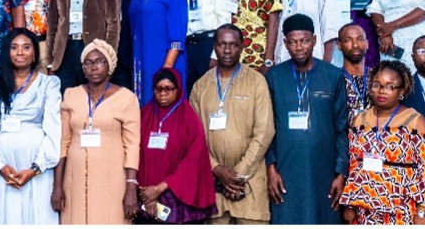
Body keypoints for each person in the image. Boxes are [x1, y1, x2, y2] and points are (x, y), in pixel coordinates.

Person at [265, 14, 348, 225]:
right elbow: (267, 127)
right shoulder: (274, 76)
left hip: (324, 170)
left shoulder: (332, 75)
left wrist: (341, 172)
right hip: (286, 170)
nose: (299, 47)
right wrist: (270, 168)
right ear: (285, 43)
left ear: (314, 40)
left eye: (304, 41)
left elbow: (341, 127)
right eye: (292, 42)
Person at [189, 24, 274, 224]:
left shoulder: (256, 82)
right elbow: (194, 137)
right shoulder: (200, 86)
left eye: (233, 45)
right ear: (214, 46)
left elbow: (265, 132)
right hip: (214, 188)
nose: (227, 50)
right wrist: (217, 170)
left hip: (249, 186)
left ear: (241, 47)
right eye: (221, 44)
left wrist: (237, 175)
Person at [339, 60, 425, 224]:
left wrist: (422, 210)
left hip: (403, 208)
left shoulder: (416, 122)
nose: (381, 91)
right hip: (366, 208)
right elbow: (354, 164)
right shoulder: (360, 120)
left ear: (402, 90)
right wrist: (350, 204)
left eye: (390, 86)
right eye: (376, 85)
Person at [52, 40, 141, 224]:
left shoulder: (126, 98)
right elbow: (63, 143)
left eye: (99, 61)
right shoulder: (71, 95)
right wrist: (57, 185)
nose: (93, 67)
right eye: (88, 62)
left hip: (112, 180)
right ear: (83, 69)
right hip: (74, 181)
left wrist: (131, 187)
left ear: (110, 66)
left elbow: (132, 146)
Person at [0, 28, 62, 225]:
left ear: (35, 53)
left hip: (36, 169)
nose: (20, 53)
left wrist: (35, 169)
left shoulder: (49, 84)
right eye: (14, 48)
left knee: (38, 217)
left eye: (26, 47)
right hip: (0, 169)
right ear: (6, 51)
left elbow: (53, 130)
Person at [137, 67, 217, 223]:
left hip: (178, 197)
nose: (163, 93)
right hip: (147, 197)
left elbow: (193, 160)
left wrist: (159, 189)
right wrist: (147, 193)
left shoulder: (189, 118)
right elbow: (135, 153)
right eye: (158, 89)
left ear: (178, 89)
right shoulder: (144, 115)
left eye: (168, 89)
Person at [127, 0, 188, 103]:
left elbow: (178, 34)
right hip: (140, 57)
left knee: (162, 101)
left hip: (163, 58)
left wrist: (167, 68)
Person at [339, 23, 373, 121]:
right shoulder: (334, 79)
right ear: (339, 45)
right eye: (348, 40)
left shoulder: (378, 77)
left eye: (360, 39)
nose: (355, 45)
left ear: (367, 44)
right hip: (344, 135)